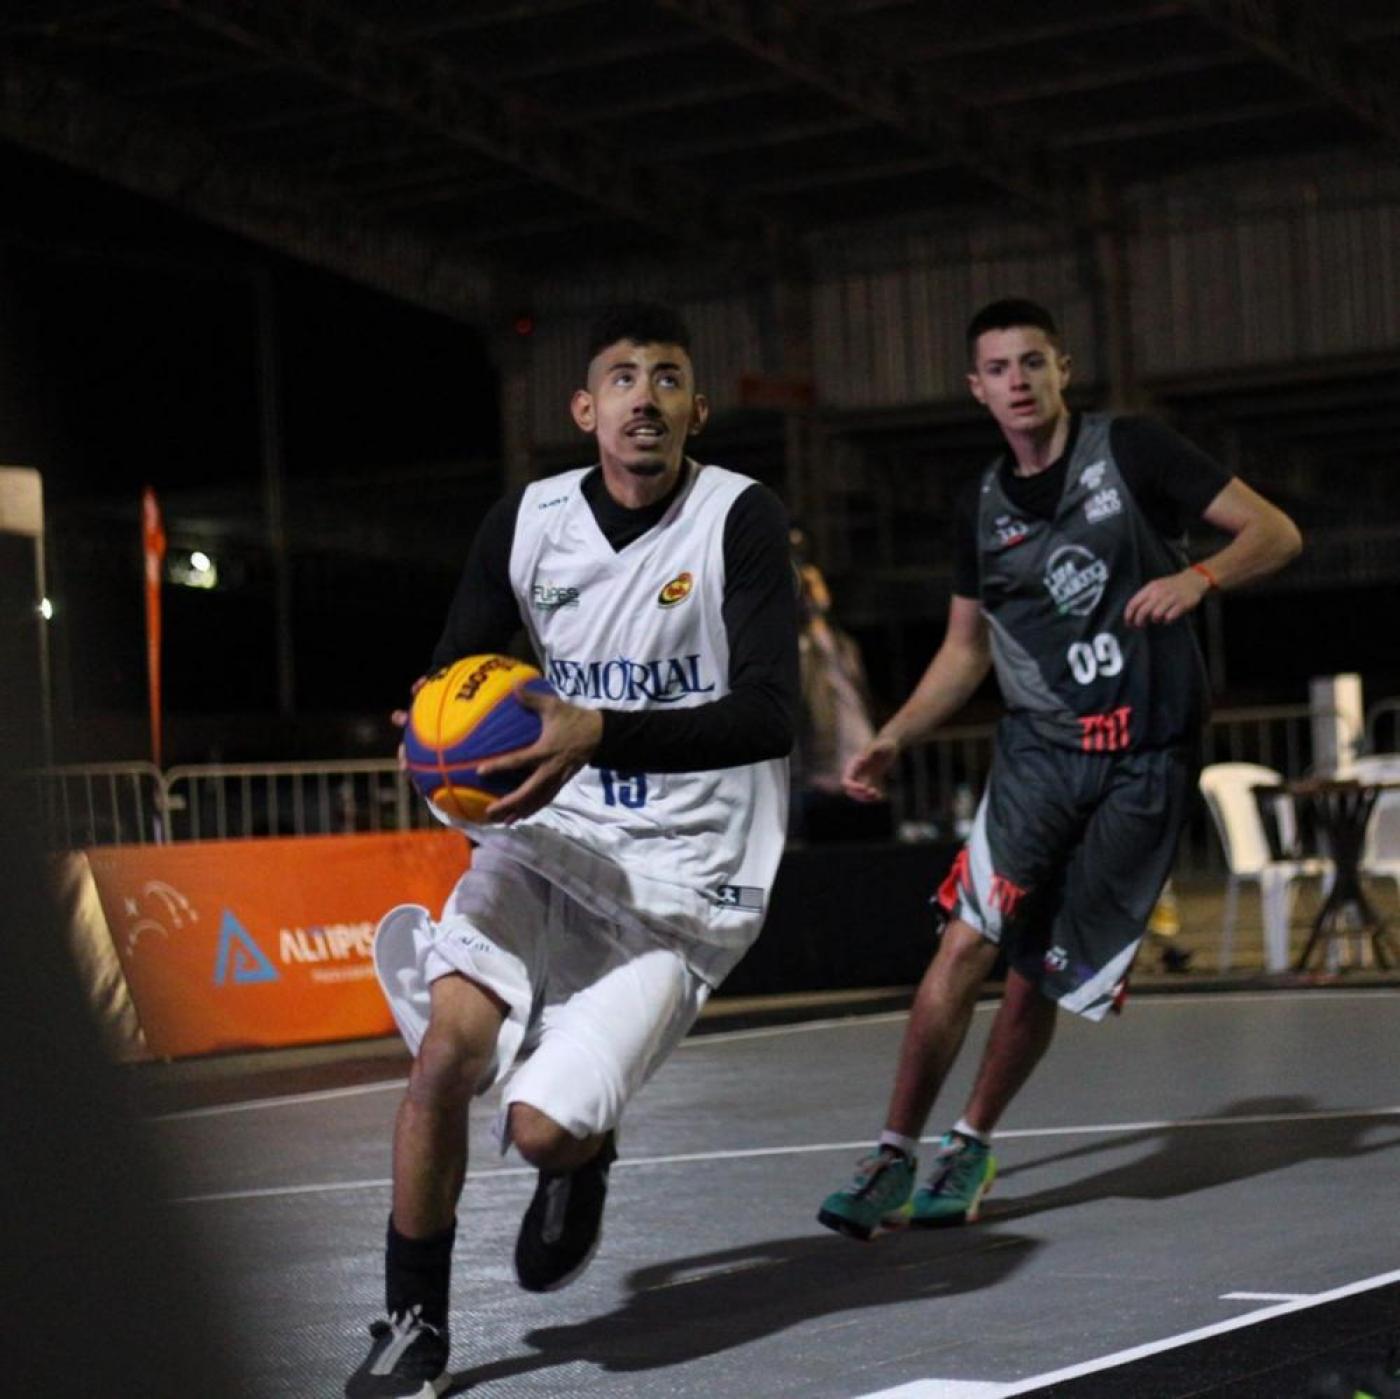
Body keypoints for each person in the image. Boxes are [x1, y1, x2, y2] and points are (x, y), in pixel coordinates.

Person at [347, 303, 798, 1397]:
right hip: (549, 830)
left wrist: (597, 728)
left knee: (541, 1131)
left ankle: (581, 1156)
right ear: (584, 409)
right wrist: (433, 728)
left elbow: (768, 716)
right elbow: (453, 663)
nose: (645, 396)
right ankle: (414, 1323)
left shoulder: (738, 518)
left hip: (684, 879)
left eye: (668, 378)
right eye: (623, 378)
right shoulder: (528, 519)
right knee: (443, 1056)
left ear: (695, 409)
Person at [817, 298, 1302, 1241]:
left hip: (1145, 763)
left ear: (1062, 368)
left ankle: (970, 1140)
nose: (1018, 382)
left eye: (1032, 362)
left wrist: (1198, 578)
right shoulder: (982, 507)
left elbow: (1275, 533)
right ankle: (889, 1153)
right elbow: (966, 651)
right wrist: (895, 734)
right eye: (998, 368)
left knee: (1037, 970)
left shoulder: (1136, 453)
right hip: (1042, 755)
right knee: (963, 944)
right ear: (977, 388)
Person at [788, 530, 891, 843]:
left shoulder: (843, 644)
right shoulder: (797, 647)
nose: (815, 591)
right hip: (821, 779)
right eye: (807, 586)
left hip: (863, 771)